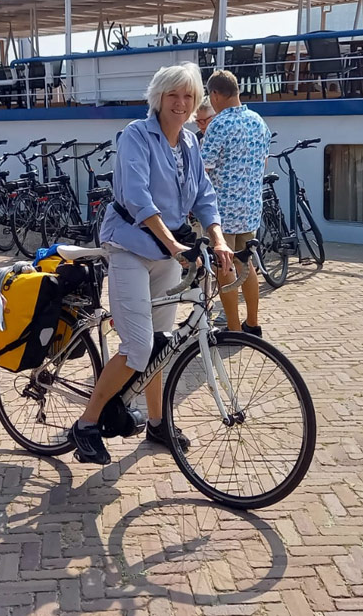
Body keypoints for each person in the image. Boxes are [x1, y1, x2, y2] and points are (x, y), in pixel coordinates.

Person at [68, 62, 234, 465]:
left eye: (188, 96)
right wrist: (175, 245)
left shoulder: (191, 143)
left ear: (197, 103)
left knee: (161, 345)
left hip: (167, 252)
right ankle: (86, 424)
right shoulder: (135, 137)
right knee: (139, 346)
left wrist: (218, 239)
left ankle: (158, 422)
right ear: (157, 98)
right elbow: (138, 199)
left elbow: (205, 197)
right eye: (173, 95)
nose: (180, 103)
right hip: (129, 248)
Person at [201, 70, 272, 335]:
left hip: (224, 211)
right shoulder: (258, 121)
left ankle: (233, 328)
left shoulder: (219, 125)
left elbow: (203, 169)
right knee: (247, 264)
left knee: (225, 266)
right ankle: (252, 324)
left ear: (216, 94)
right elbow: (264, 161)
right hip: (250, 207)